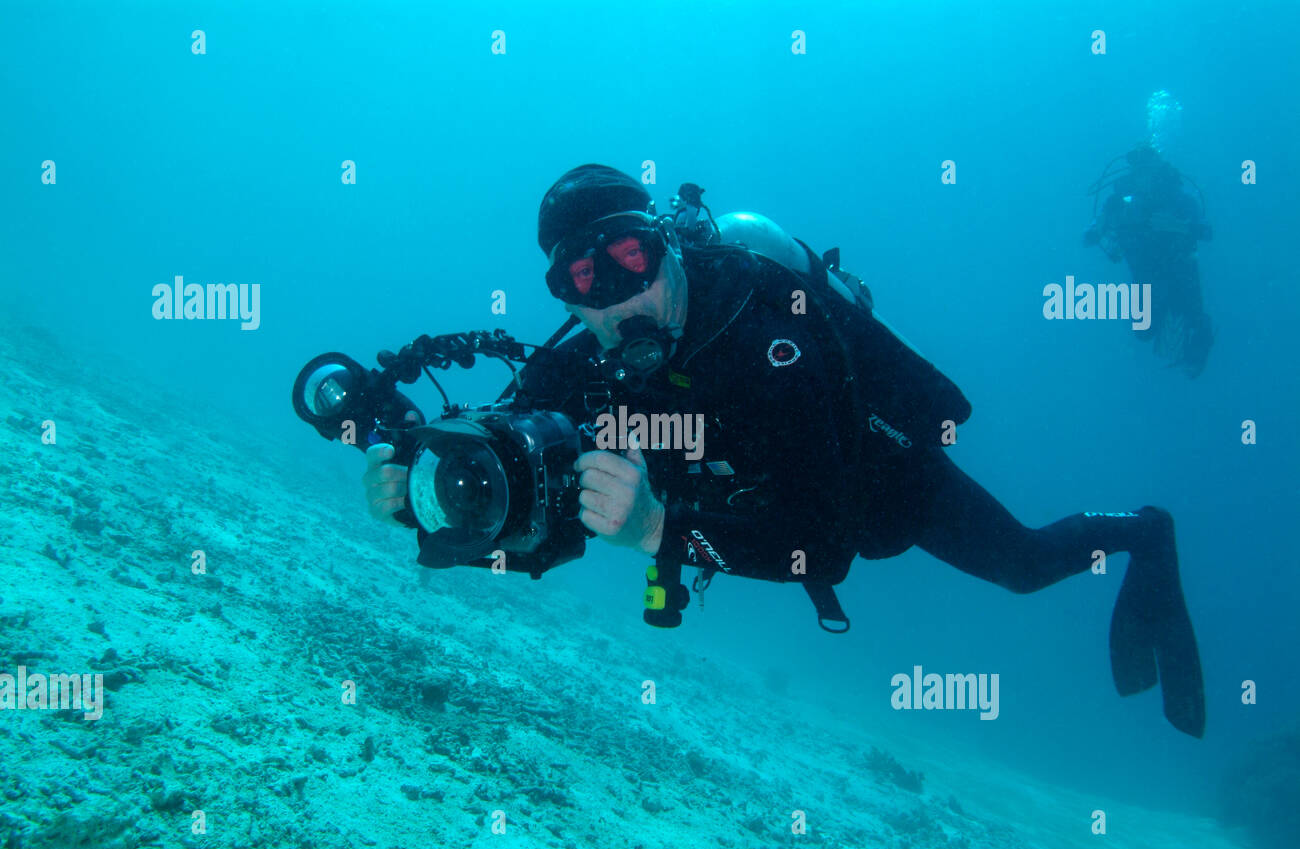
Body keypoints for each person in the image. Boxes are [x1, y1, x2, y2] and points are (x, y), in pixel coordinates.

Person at [364, 164, 1206, 737]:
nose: (616, 299)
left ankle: (1144, 532)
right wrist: (421, 489)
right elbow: (513, 478)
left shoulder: (772, 335)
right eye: (582, 283)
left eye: (628, 258)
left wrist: (661, 529)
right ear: (564, 296)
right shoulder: (585, 357)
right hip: (738, 503)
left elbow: (826, 548)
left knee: (1023, 565)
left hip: (880, 480)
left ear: (660, 244)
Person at [1084, 144, 1215, 377]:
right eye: (1138, 171)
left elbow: (1206, 232)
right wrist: (1099, 231)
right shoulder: (1121, 202)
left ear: (1159, 171)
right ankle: (1173, 330)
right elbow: (1094, 231)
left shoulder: (1180, 200)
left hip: (1181, 271)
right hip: (1145, 277)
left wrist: (1182, 227)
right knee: (1143, 331)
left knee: (1193, 320)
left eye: (1148, 171)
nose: (1143, 178)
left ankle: (1194, 348)